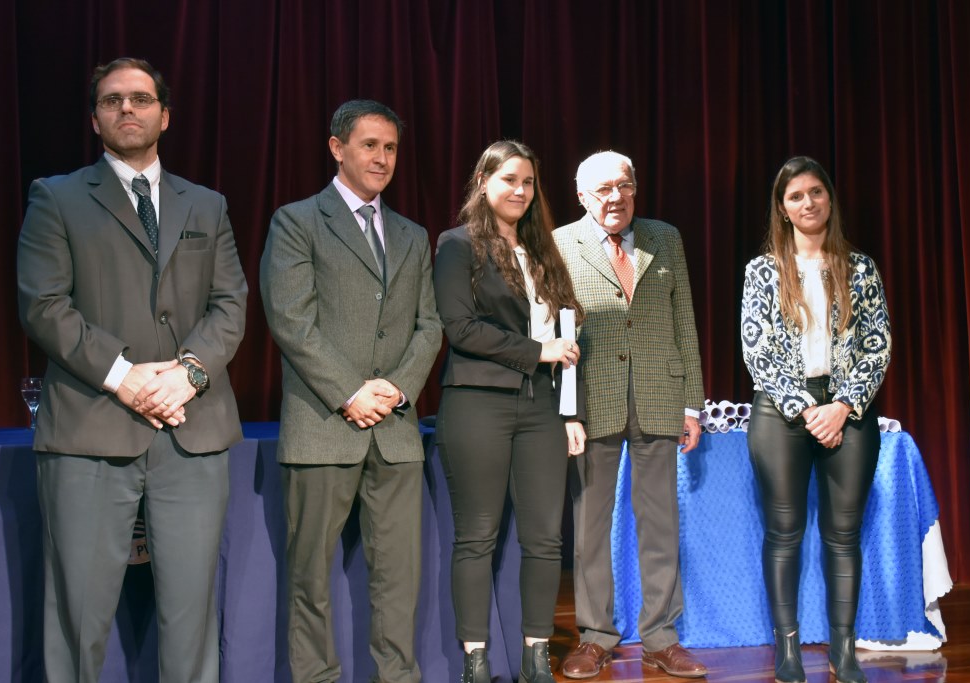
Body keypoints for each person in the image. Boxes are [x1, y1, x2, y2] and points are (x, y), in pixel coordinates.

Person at [16, 57, 248, 681]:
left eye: (141, 99)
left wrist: (187, 376)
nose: (127, 108)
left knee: (191, 617)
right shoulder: (56, 197)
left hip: (191, 431)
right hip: (90, 428)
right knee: (78, 618)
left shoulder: (207, 205)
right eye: (113, 100)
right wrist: (129, 379)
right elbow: (43, 306)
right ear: (95, 118)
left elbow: (230, 304)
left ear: (164, 116)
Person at [259, 99, 442, 683]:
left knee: (398, 581)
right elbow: (290, 319)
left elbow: (429, 325)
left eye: (390, 148)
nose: (382, 158)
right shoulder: (297, 221)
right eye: (370, 145)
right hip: (323, 427)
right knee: (310, 578)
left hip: (394, 430)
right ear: (337, 148)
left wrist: (396, 389)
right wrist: (349, 393)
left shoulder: (413, 235)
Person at [434, 141, 586, 683]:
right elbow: (460, 328)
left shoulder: (544, 254)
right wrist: (535, 352)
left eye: (528, 183)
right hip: (478, 402)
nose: (520, 191)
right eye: (509, 180)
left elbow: (567, 341)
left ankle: (534, 658)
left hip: (543, 406)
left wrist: (573, 412)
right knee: (477, 535)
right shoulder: (456, 246)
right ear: (484, 181)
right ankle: (475, 661)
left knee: (545, 538)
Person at [553, 151, 708, 679]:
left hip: (659, 397)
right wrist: (565, 409)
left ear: (635, 188)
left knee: (660, 524)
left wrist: (692, 403)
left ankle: (662, 638)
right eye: (602, 190)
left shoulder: (665, 237)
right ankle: (595, 636)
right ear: (582, 197)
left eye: (623, 186)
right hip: (593, 401)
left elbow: (683, 318)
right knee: (590, 527)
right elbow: (553, 332)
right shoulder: (558, 243)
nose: (614, 197)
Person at [741, 156, 891, 683]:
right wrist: (807, 410)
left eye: (816, 193)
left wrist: (842, 405)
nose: (808, 203)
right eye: (795, 197)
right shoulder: (762, 271)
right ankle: (787, 652)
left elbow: (877, 346)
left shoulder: (860, 267)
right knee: (784, 532)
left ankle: (842, 651)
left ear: (830, 198)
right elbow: (756, 351)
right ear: (782, 209)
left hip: (847, 408)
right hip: (782, 409)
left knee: (842, 534)